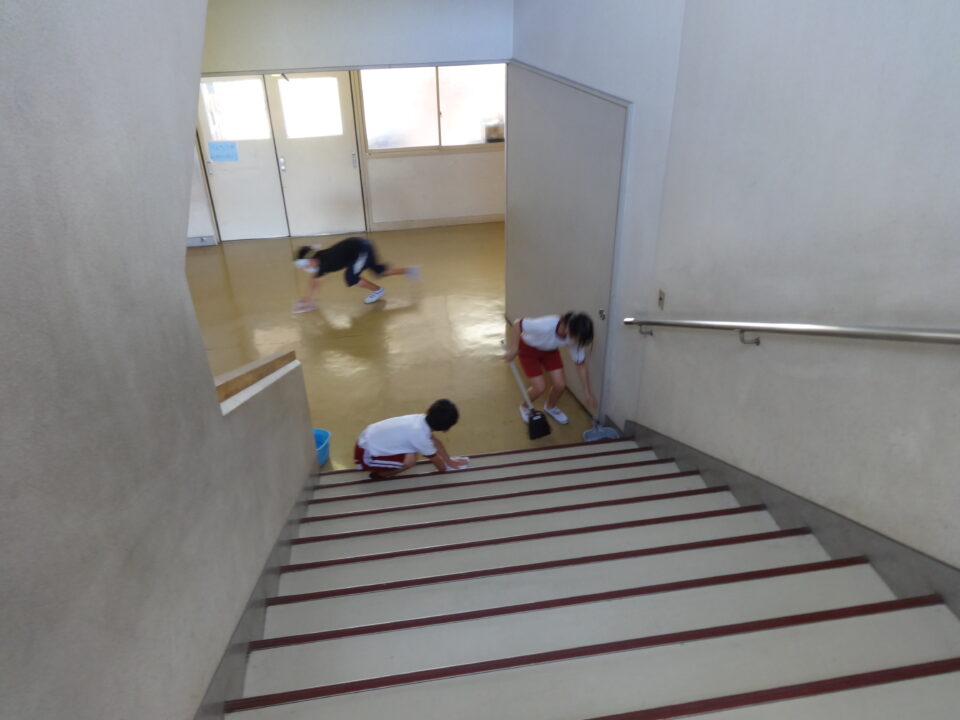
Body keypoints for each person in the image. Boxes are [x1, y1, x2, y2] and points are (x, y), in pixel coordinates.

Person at [502, 312, 597, 424]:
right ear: (568, 329)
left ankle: (550, 407)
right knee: (539, 387)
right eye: (576, 338)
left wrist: (587, 393)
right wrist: (514, 349)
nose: (576, 341)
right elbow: (518, 324)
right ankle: (524, 407)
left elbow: (581, 365)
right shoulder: (547, 325)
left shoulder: (574, 336)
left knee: (560, 384)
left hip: (550, 351)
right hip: (528, 350)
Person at [292, 236, 420, 312]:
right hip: (361, 246)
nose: (305, 268)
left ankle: (378, 291)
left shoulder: (324, 262)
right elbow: (314, 279)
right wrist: (307, 298)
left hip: (361, 250)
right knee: (379, 271)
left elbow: (315, 283)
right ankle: (411, 271)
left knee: (350, 277)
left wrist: (308, 301)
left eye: (305, 265)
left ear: (311, 259)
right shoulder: (320, 257)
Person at [354, 399, 468, 479]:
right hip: (364, 456)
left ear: (427, 411)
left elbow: (435, 442)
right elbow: (437, 461)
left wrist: (449, 461)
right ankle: (378, 475)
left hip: (366, 438)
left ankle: (383, 467)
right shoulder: (420, 437)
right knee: (410, 461)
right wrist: (445, 471)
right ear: (446, 430)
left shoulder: (419, 420)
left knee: (411, 452)